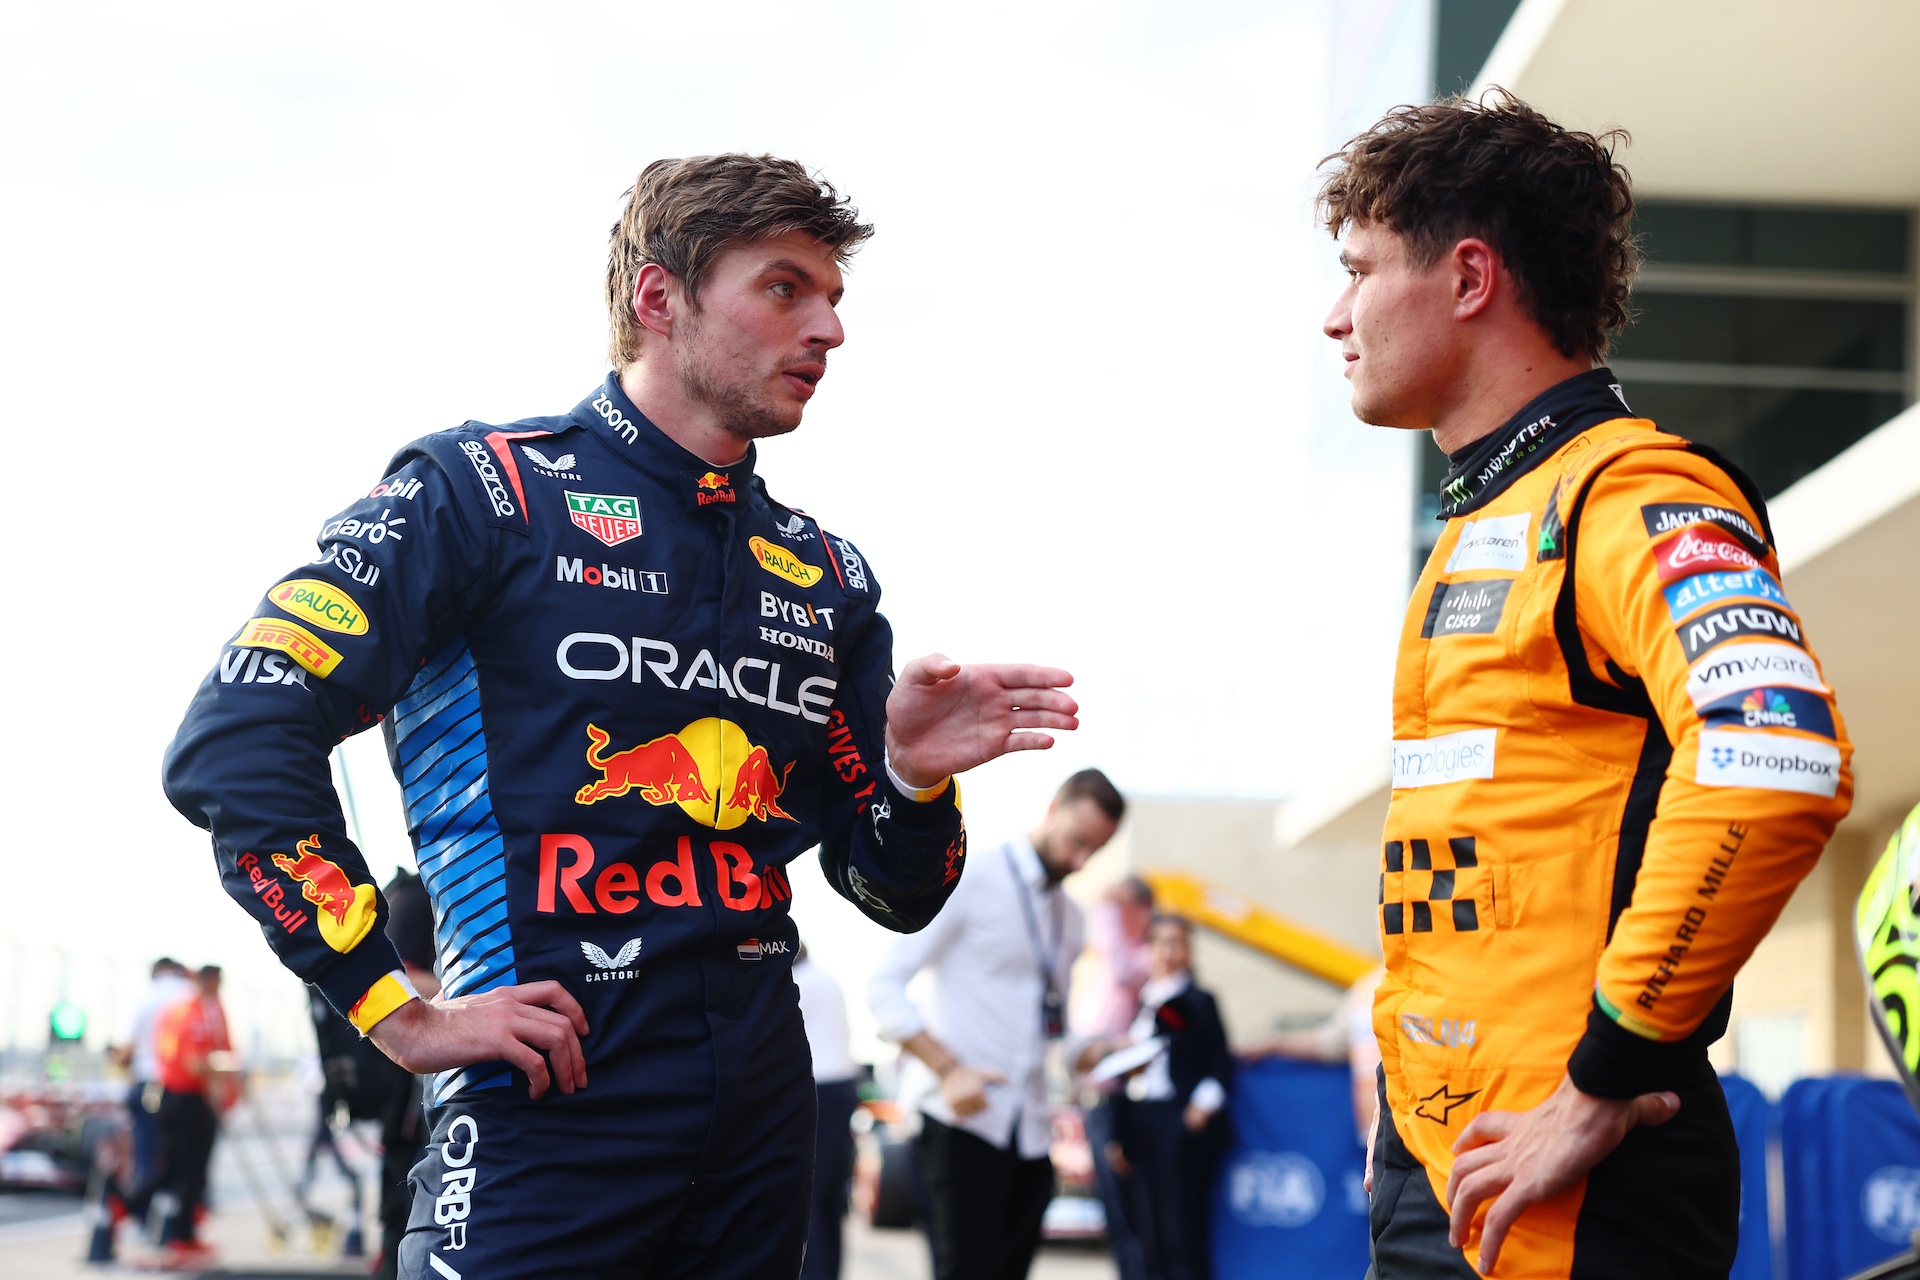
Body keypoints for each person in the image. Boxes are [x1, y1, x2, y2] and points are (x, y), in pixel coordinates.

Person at [162, 153, 1080, 1280]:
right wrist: (392, 1004)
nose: (829, 329)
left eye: (836, 298)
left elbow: (895, 890)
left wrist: (910, 777)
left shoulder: (827, 575)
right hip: (545, 1099)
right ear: (660, 298)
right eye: (786, 288)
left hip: (759, 1123)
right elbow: (238, 735)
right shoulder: (480, 492)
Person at [1319, 92, 1852, 1277]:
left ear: (1468, 278)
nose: (1333, 316)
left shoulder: (1633, 493)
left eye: (1358, 271)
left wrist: (1605, 1075)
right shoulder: (1489, 518)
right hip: (1453, 1161)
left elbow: (1775, 759)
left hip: (1570, 1176)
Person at [868, 769, 1126, 1280]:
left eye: (1094, 851)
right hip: (963, 1119)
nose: (1080, 861)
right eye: (1077, 841)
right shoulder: (970, 876)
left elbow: (1054, 1030)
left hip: (1031, 1131)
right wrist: (949, 1069)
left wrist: (1096, 1051)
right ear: (1053, 807)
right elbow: (884, 988)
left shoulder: (1072, 918)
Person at [1098, 915, 1232, 1280]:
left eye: (1178, 943)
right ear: (1149, 949)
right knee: (1146, 1227)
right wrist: (1117, 1134)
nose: (1169, 952)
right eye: (1161, 943)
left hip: (1180, 1122)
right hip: (1141, 1123)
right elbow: (1123, 1076)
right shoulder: (1139, 1002)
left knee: (1182, 1227)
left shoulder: (1199, 1001)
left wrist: (1200, 1108)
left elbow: (1220, 1064)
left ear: (1189, 950)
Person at [1071, 877, 1156, 1280]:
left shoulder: (1140, 958)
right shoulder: (1122, 958)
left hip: (1119, 1101)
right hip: (1101, 1097)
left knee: (1127, 1210)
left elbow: (1122, 968)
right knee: (1117, 1211)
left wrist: (1106, 906)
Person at [143, 965, 234, 1264]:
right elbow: (195, 1063)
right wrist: (228, 1070)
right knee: (188, 1171)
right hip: (185, 1097)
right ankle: (179, 1235)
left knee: (178, 1169)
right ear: (206, 981)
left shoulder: (181, 1010)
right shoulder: (192, 1013)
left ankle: (181, 1233)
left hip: (174, 1095)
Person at [1241, 964, 1385, 1146]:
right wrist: (1274, 1045)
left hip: (1423, 1133)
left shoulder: (1428, 980)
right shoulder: (1368, 987)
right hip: (1379, 1137)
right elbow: (1330, 1043)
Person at [793, 942, 859, 1280]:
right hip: (839, 1086)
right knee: (828, 1196)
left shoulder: (801, 984)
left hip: (820, 1088)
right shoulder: (823, 979)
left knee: (811, 1195)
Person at [113, 959, 194, 1199]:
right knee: (183, 1158)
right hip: (184, 1090)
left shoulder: (143, 997)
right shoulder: (190, 995)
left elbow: (127, 1052)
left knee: (147, 1156)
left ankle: (140, 1212)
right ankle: (176, 1220)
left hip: (149, 1084)